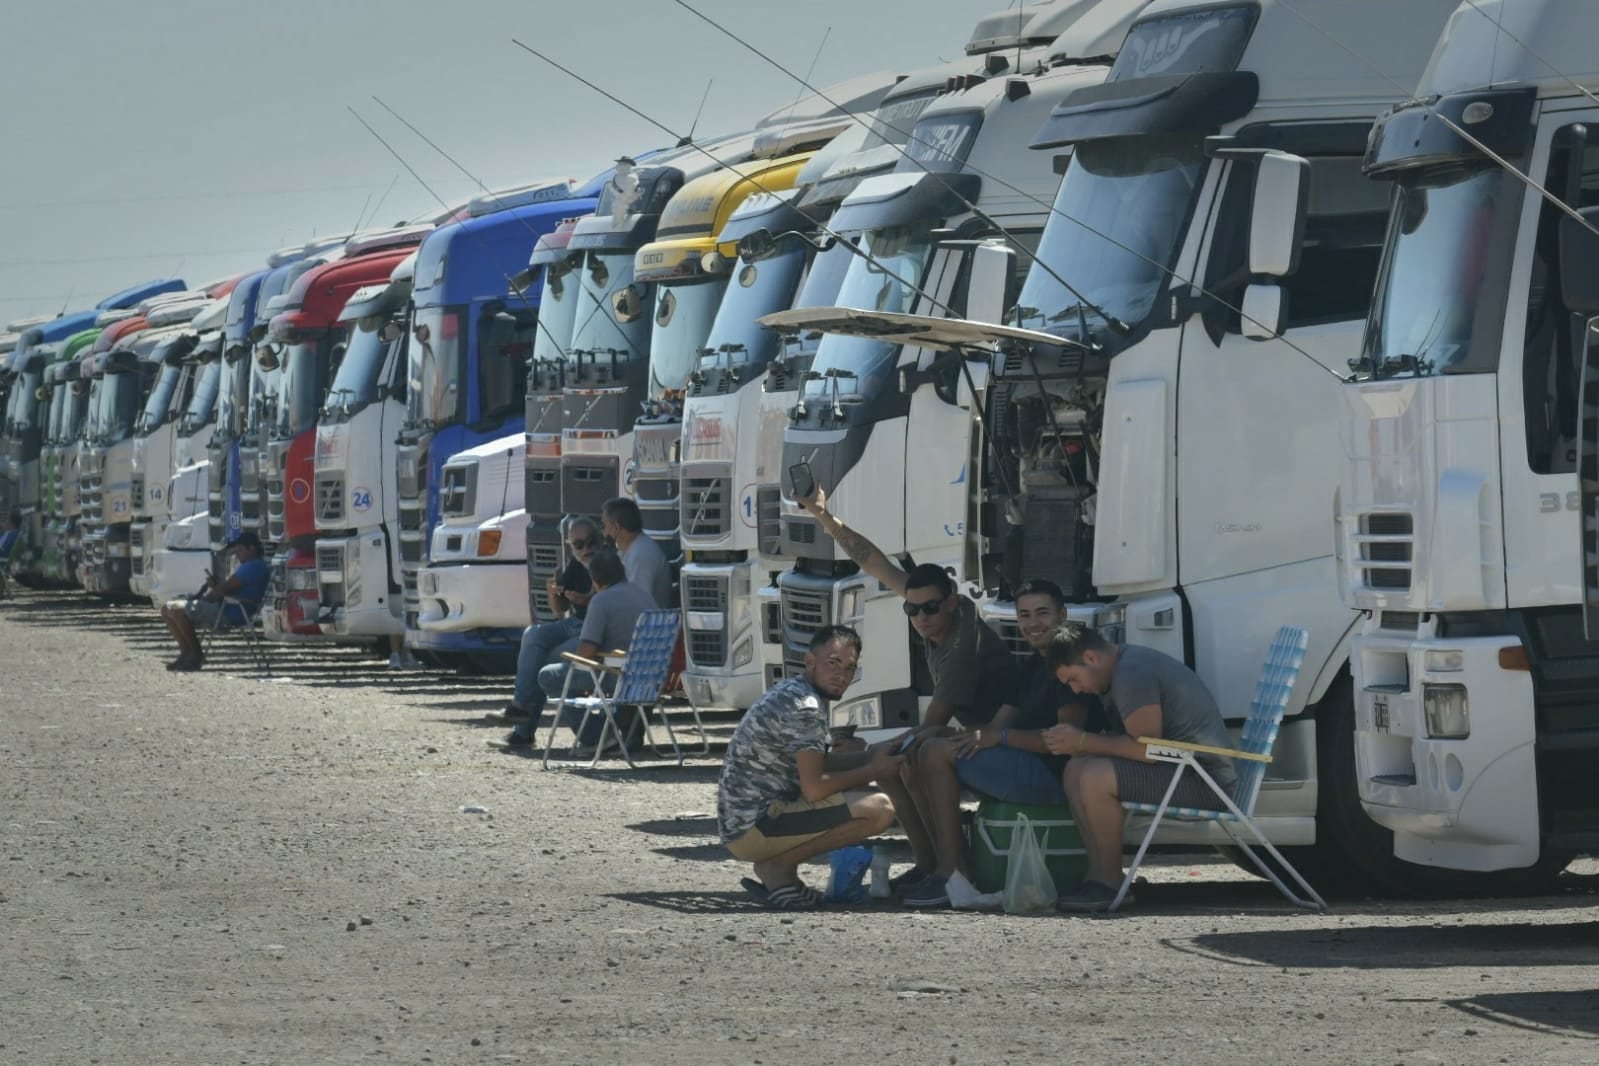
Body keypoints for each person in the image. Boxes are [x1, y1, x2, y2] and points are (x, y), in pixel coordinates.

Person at [795, 481, 1013, 905]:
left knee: (917, 753)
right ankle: (929, 866)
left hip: (1001, 739)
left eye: (929, 608)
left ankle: (953, 874)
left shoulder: (961, 647)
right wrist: (824, 517)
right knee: (898, 760)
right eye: (911, 610)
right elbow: (870, 560)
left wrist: (861, 754)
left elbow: (931, 727)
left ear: (951, 601)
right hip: (976, 736)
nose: (920, 617)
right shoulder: (934, 608)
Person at [888, 579, 1106, 907]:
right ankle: (934, 865)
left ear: (1062, 615)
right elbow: (993, 729)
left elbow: (1066, 742)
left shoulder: (1070, 667)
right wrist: (949, 735)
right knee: (923, 748)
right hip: (1024, 762)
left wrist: (997, 738)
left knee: (935, 753)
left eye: (1042, 613)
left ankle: (953, 874)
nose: (1033, 623)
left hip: (1057, 777)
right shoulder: (1030, 666)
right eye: (1025, 615)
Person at [1042, 622, 1237, 913]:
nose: (1077, 690)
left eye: (1073, 679)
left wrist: (1083, 739)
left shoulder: (1132, 674)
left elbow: (1147, 749)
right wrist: (1083, 746)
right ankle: (1098, 875)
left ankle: (1108, 883)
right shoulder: (1123, 666)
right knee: (1076, 768)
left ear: (1091, 658)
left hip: (1208, 783)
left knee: (1096, 776)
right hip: (1182, 771)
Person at [718, 625, 902, 910]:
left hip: (743, 821)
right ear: (810, 662)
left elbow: (814, 762)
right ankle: (777, 868)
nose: (842, 674)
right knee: (879, 809)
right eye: (833, 663)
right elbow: (814, 788)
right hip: (754, 828)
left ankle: (783, 875)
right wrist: (874, 770)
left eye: (850, 667)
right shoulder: (806, 707)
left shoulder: (793, 692)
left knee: (860, 790)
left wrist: (869, 756)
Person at [494, 547, 655, 755]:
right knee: (556, 669)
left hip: (618, 676)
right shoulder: (644, 597)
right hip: (648, 676)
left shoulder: (601, 601)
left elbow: (585, 654)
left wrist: (566, 659)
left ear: (595, 581)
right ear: (622, 570)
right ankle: (607, 730)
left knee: (547, 675)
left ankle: (596, 736)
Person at [485, 516, 600, 724]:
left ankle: (523, 729)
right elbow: (558, 610)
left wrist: (585, 598)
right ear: (571, 546)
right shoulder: (574, 565)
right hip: (575, 623)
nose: (586, 549)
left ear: (600, 540)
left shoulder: (606, 562)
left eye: (591, 542)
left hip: (593, 628)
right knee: (532, 634)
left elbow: (605, 602)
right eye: (579, 545)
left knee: (542, 663)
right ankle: (519, 706)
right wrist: (553, 593)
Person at [157, 531, 271, 672]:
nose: (237, 554)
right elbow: (226, 589)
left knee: (175, 609)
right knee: (165, 609)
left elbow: (221, 591)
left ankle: (195, 655)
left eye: (240, 550)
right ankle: (186, 654)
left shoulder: (252, 566)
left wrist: (209, 592)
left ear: (252, 548)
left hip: (231, 612)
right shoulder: (254, 565)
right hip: (230, 607)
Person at [601, 496, 670, 608]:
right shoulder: (629, 550)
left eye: (604, 526)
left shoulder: (641, 555)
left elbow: (636, 605)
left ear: (616, 528)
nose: (602, 532)